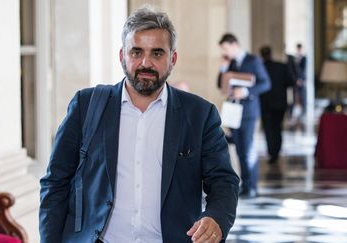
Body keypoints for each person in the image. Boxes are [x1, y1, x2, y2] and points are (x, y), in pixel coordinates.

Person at [39, 6, 239, 243]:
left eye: (157, 53)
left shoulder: (200, 114)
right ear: (122, 55)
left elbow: (224, 181)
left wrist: (216, 217)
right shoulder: (86, 105)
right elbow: (56, 182)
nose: (146, 62)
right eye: (136, 52)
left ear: (172, 58)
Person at [217, 33, 270, 198]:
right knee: (239, 149)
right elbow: (220, 84)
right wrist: (223, 68)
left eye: (226, 48)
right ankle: (245, 185)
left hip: (248, 112)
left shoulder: (253, 60)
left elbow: (265, 83)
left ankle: (252, 186)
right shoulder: (231, 63)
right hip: (234, 112)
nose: (225, 52)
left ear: (234, 44)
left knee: (247, 150)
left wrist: (245, 91)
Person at [259, 46, 295, 165]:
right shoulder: (281, 66)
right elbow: (291, 82)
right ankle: (276, 152)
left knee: (268, 129)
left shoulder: (260, 68)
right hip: (280, 103)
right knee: (277, 128)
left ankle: (272, 152)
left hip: (265, 104)